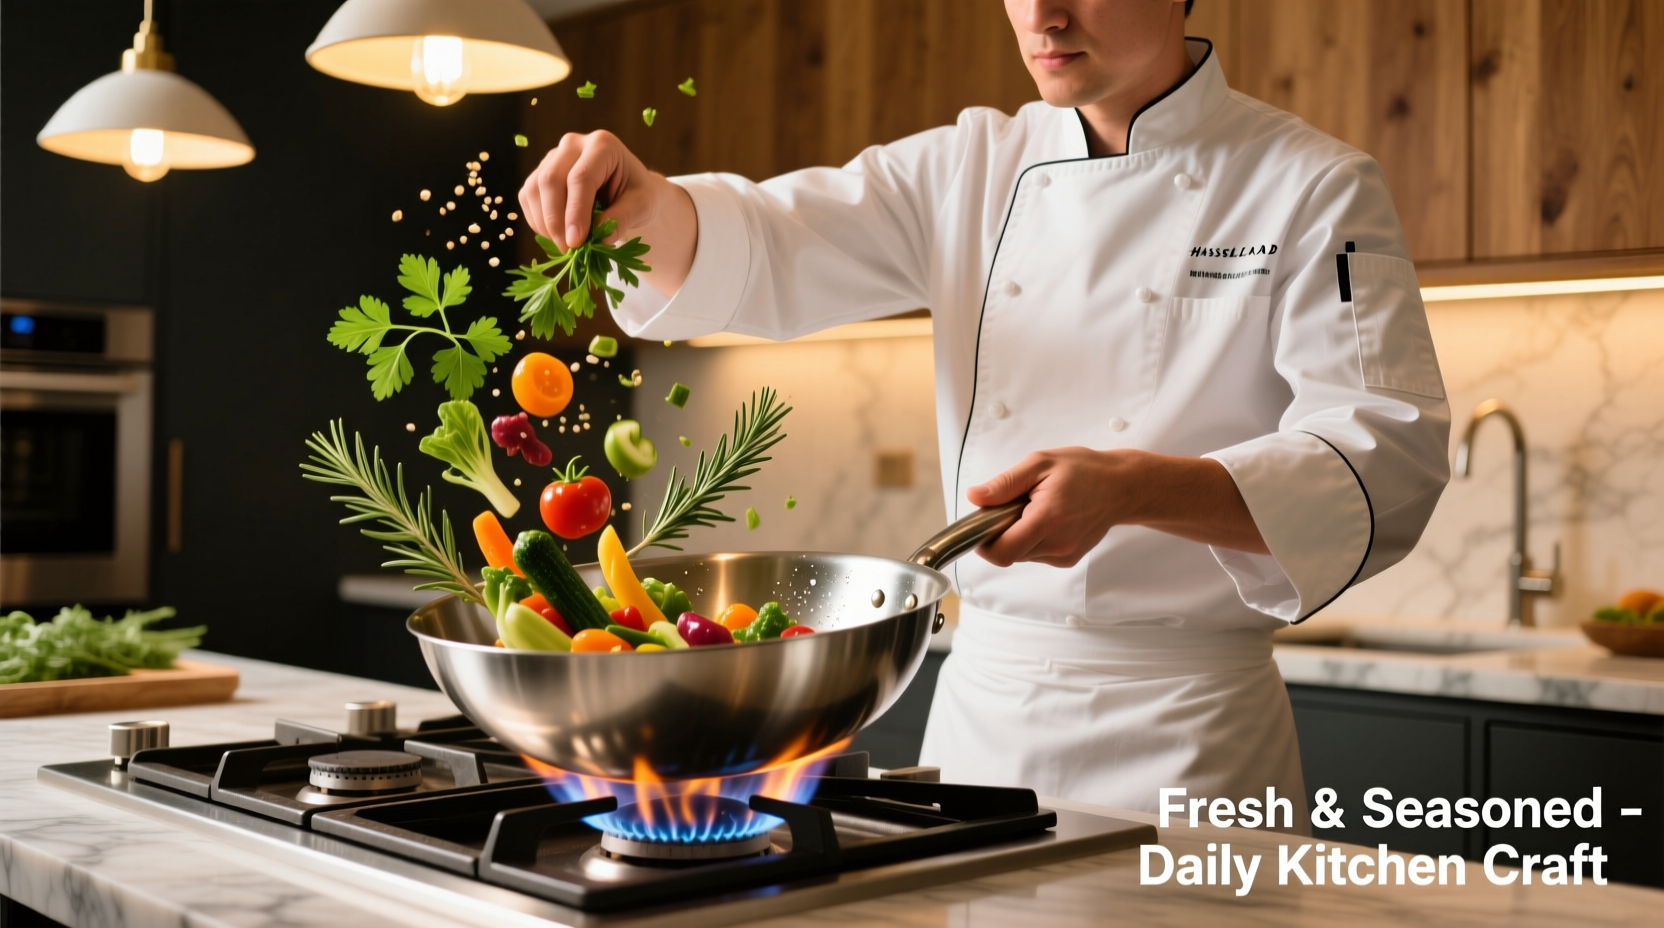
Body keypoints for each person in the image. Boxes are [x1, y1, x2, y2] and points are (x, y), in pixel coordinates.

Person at [518, 0, 1450, 832]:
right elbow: (767, 244)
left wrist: (1133, 489)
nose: (1042, 14)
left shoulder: (1313, 185)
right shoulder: (967, 168)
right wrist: (648, 206)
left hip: (1193, 741)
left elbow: (1387, 457)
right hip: (985, 731)